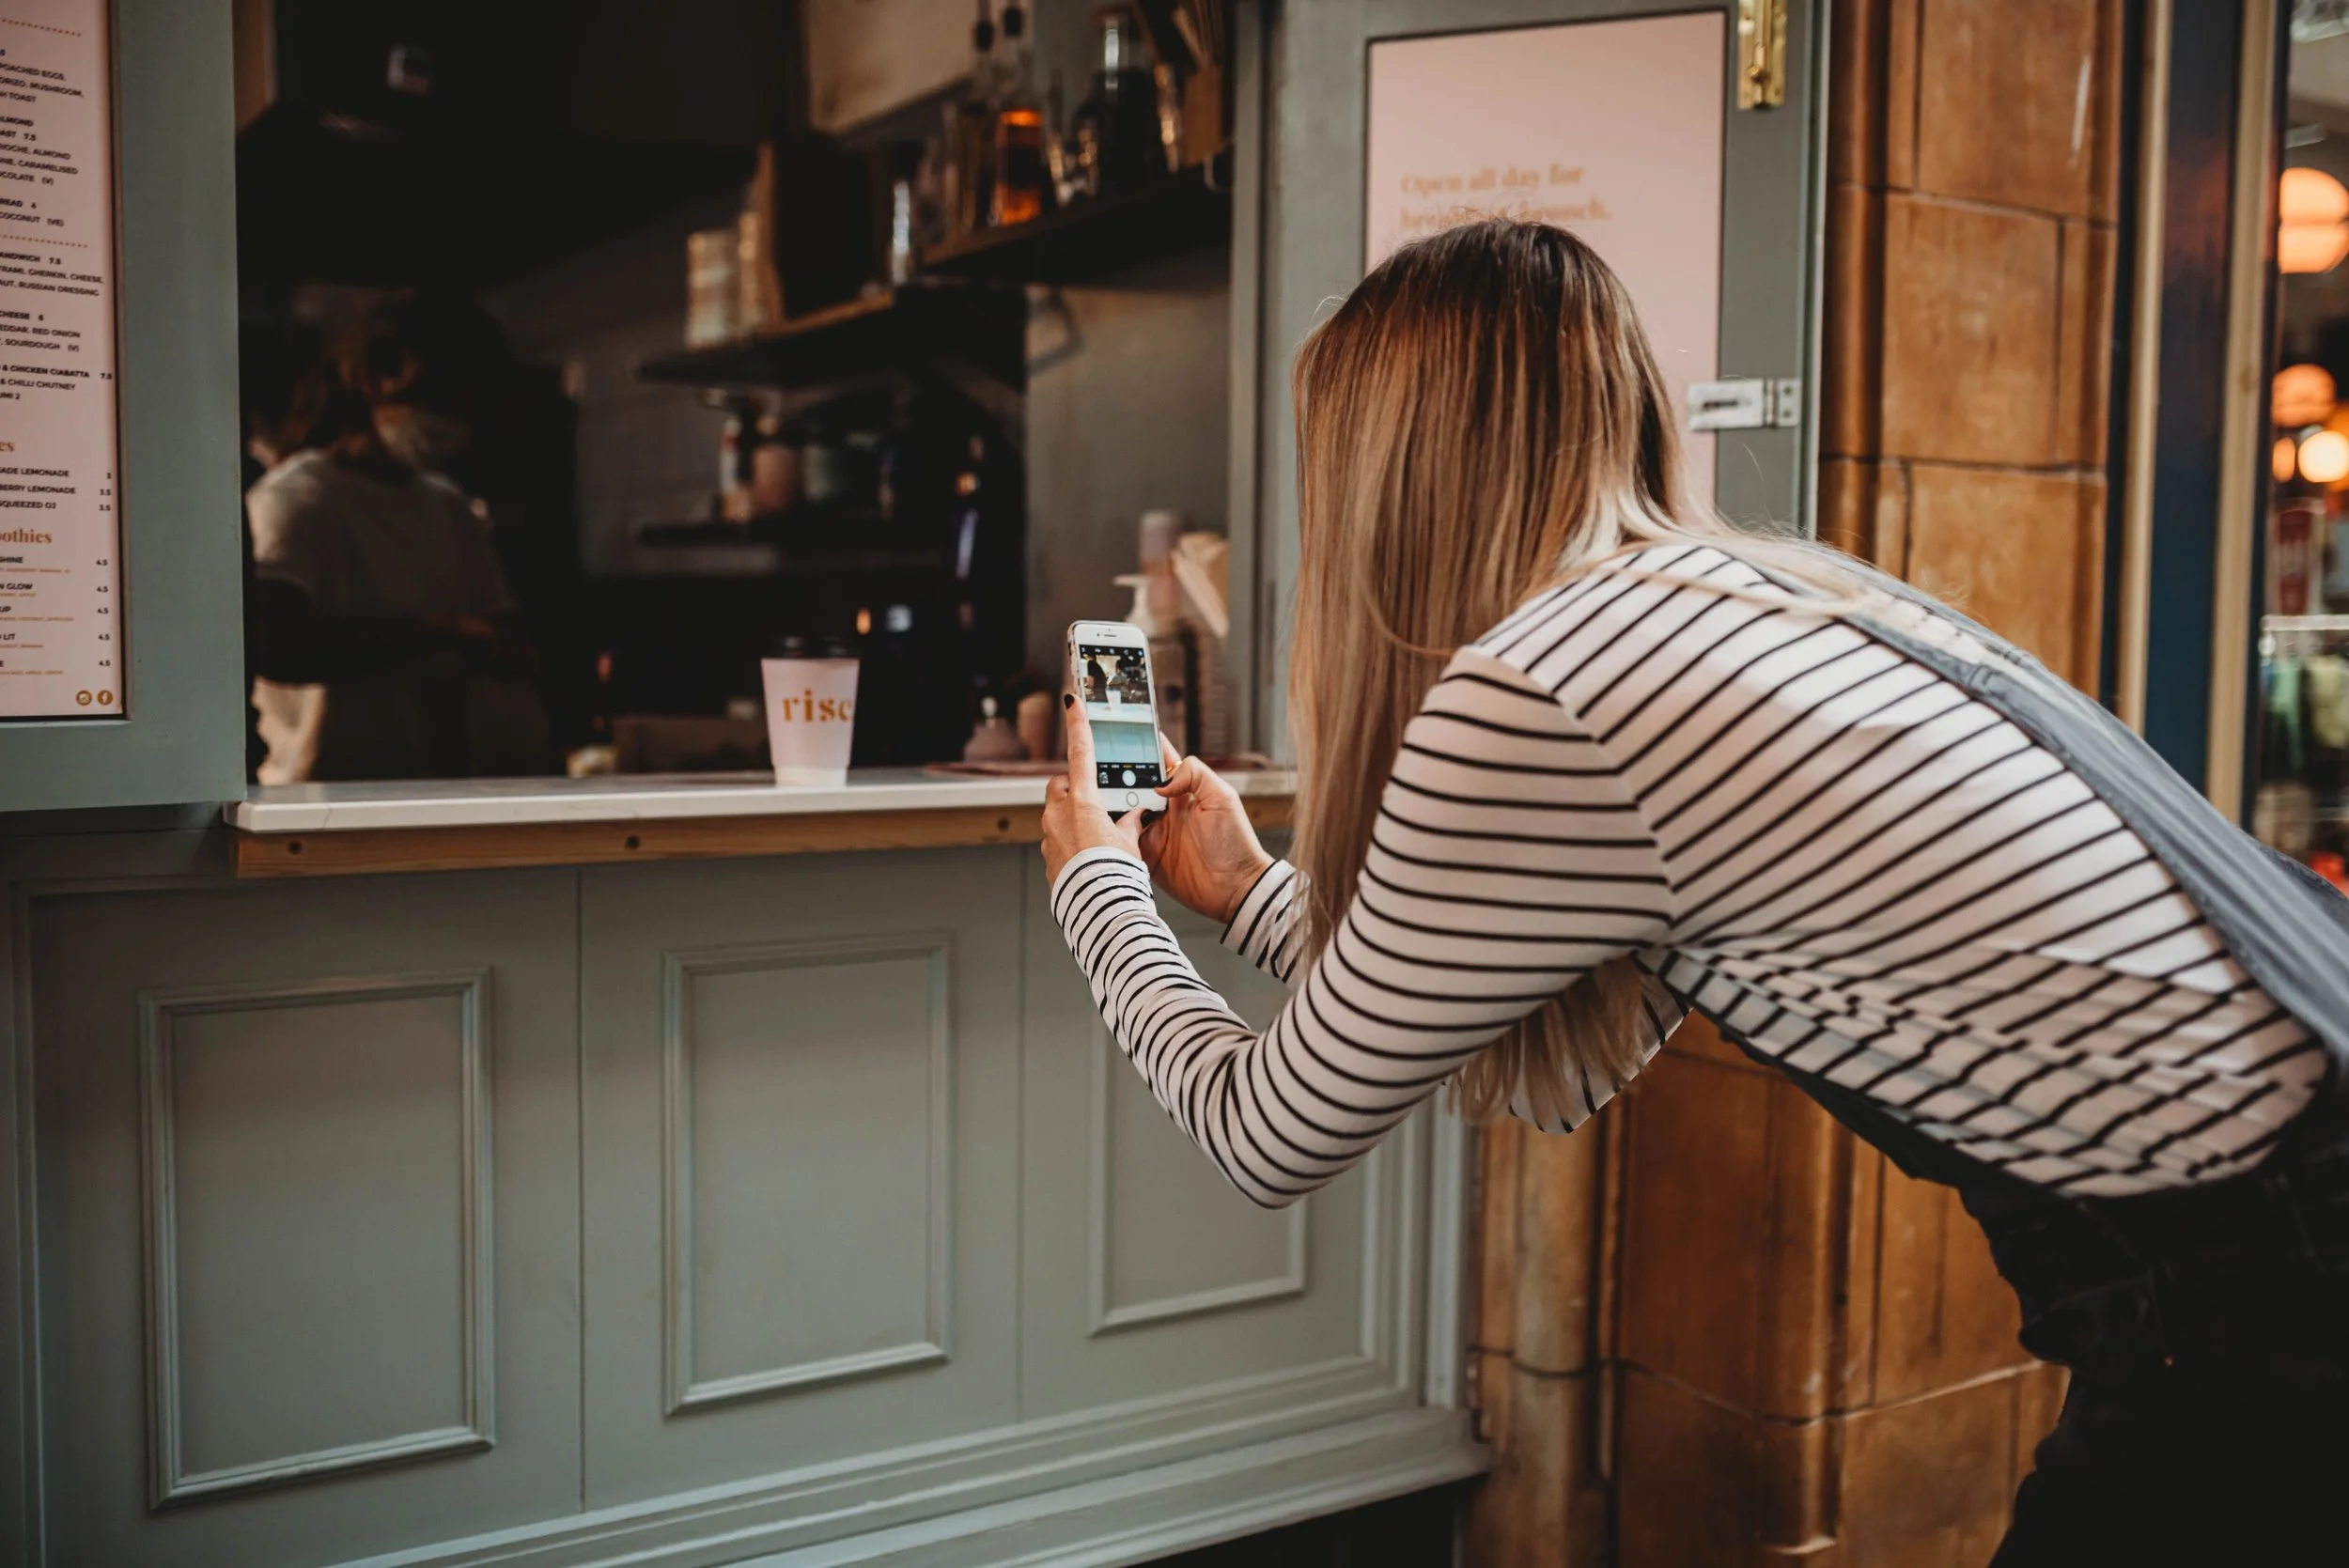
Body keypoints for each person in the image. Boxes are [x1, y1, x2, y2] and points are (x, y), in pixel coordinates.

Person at [1039, 220, 2349, 1563]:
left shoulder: (1532, 688)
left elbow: (1270, 1134)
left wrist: (1097, 883)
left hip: (2258, 1273)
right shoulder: (1745, 601)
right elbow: (1544, 1049)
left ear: (1387, 478)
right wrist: (1256, 892)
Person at [244, 289, 550, 783]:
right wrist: (439, 630)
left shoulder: (448, 507)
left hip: (428, 793)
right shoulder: (298, 500)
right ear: (375, 377)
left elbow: (502, 627)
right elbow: (276, 646)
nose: (457, 420)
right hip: (315, 798)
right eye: (445, 395)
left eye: (472, 404)